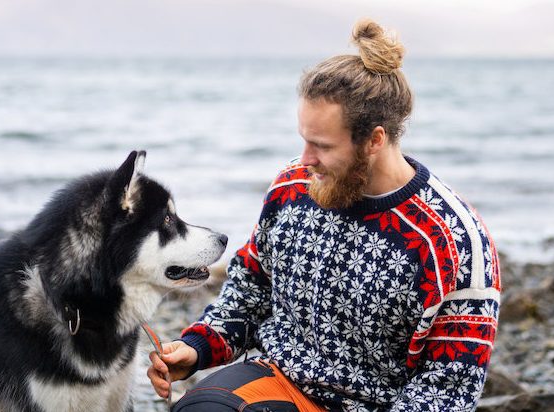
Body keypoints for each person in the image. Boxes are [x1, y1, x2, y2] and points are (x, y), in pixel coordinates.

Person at [148, 18, 501, 412]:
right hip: (279, 382)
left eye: (321, 146)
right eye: (303, 140)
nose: (305, 160)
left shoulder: (453, 241)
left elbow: (447, 389)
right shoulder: (291, 188)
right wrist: (198, 348)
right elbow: (250, 291)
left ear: (374, 140)